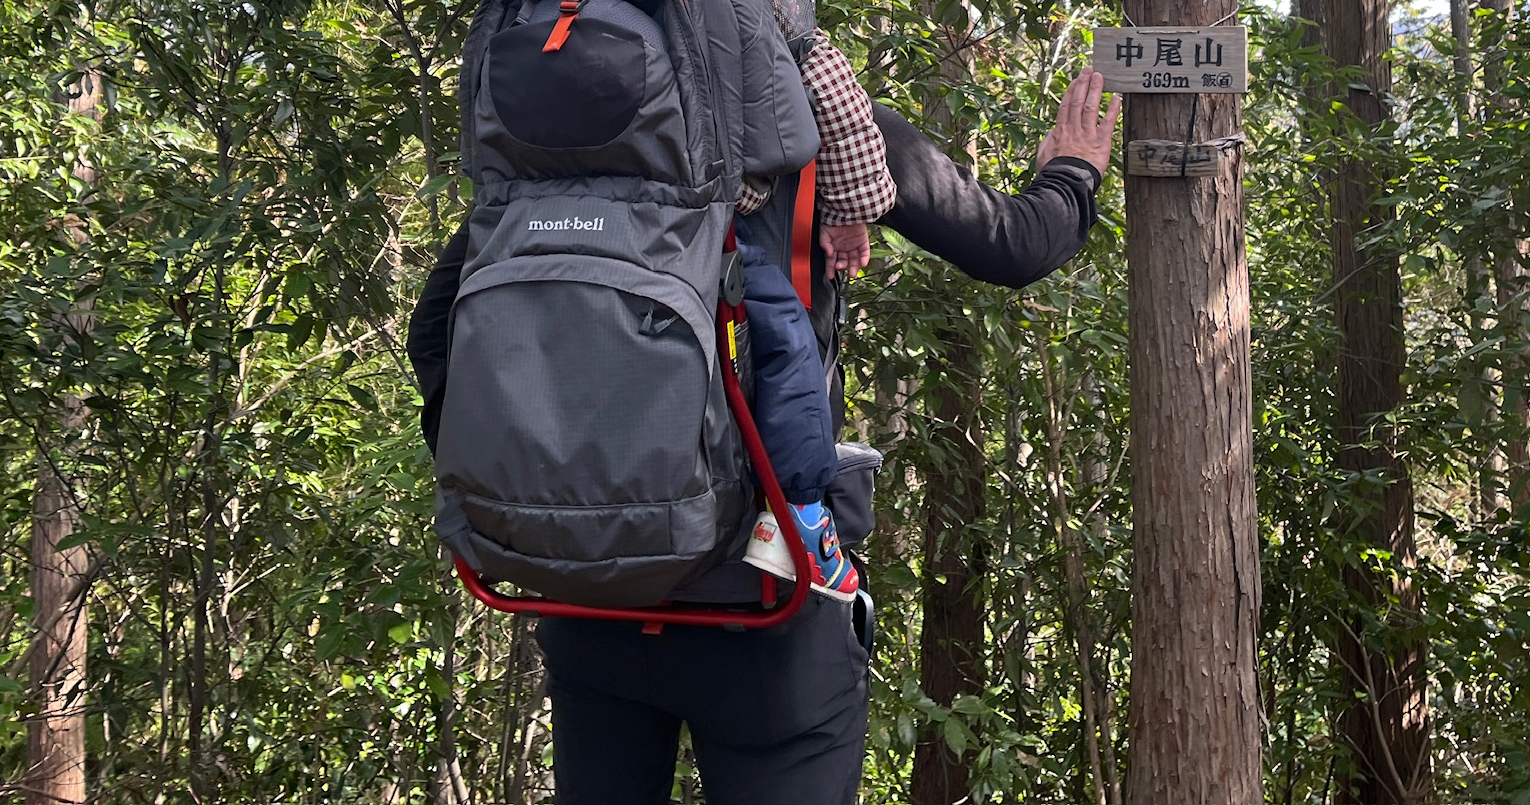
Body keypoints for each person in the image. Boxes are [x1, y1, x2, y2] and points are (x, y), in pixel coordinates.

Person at [405, 69, 1120, 805]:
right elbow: (1013, 245)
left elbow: (435, 331)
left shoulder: (558, 151)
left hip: (587, 602)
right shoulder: (816, 123)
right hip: (761, 602)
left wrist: (530, 502)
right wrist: (1071, 173)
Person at [730, 28, 896, 601]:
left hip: (534, 226)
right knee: (787, 342)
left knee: (441, 323)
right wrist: (852, 210)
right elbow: (825, 81)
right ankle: (798, 519)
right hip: (701, 226)